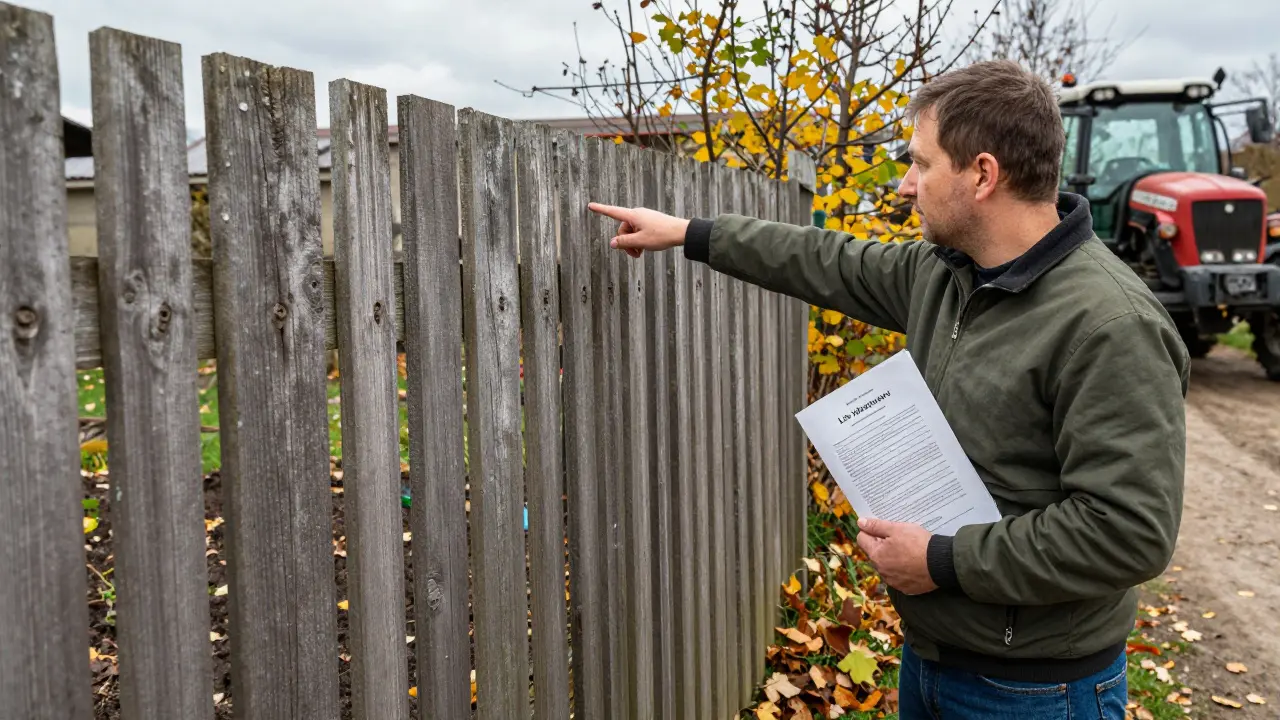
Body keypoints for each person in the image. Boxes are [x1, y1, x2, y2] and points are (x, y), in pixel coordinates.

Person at [588, 59, 1188, 719]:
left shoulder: (1108, 325)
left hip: (1039, 690)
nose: (906, 185)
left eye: (921, 164)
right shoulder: (951, 274)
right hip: (934, 659)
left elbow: (1127, 533)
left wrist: (941, 560)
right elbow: (827, 260)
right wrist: (691, 234)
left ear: (983, 174)